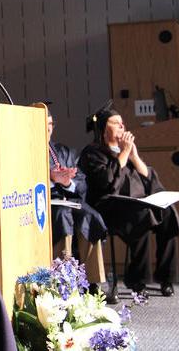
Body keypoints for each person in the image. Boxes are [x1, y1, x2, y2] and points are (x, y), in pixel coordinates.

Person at [78, 102, 179, 297]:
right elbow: (107, 183)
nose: (122, 126)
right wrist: (124, 153)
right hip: (109, 207)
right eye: (115, 123)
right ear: (102, 128)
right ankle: (138, 281)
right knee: (142, 214)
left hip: (137, 202)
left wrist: (134, 156)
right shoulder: (92, 153)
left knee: (168, 213)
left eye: (122, 123)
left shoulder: (126, 150)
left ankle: (166, 278)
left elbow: (149, 179)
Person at [45, 104, 107, 289]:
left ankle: (93, 280)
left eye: (50, 124)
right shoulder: (25, 152)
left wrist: (66, 182)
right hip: (44, 203)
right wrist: (51, 178)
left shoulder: (64, 151)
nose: (48, 128)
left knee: (91, 216)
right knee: (62, 214)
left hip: (69, 200)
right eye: (43, 123)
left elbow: (81, 182)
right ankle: (61, 279)